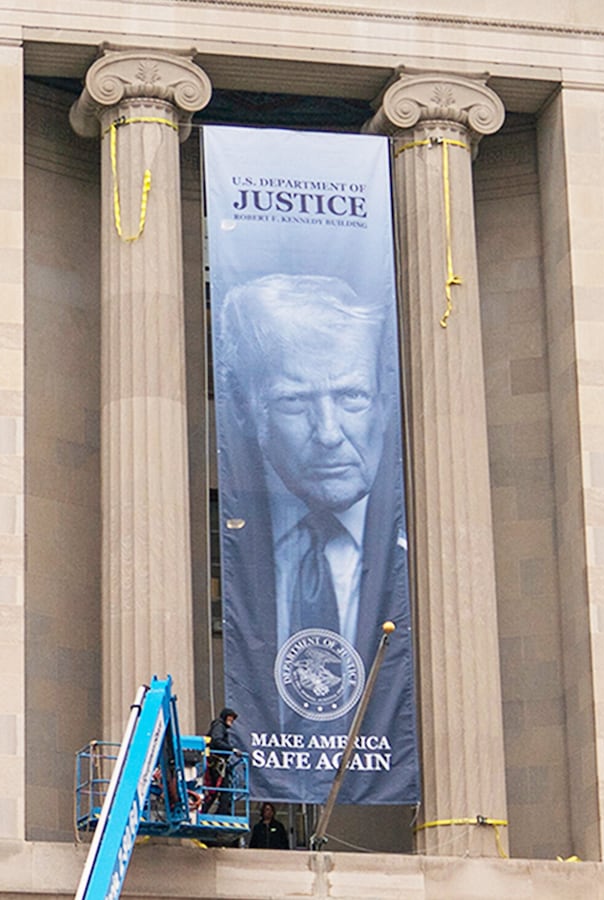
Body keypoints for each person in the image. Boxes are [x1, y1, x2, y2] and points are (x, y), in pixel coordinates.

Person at [212, 273, 417, 803]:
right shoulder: (243, 543)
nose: (328, 433)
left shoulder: (401, 546)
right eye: (294, 402)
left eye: (350, 396)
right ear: (247, 411)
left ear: (383, 403)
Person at [203, 708, 240, 814]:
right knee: (223, 788)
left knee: (215, 791)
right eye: (230, 717)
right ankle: (222, 811)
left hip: (216, 763)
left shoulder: (220, 727)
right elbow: (217, 740)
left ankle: (206, 810)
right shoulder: (219, 726)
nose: (232, 720)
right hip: (216, 763)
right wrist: (231, 749)